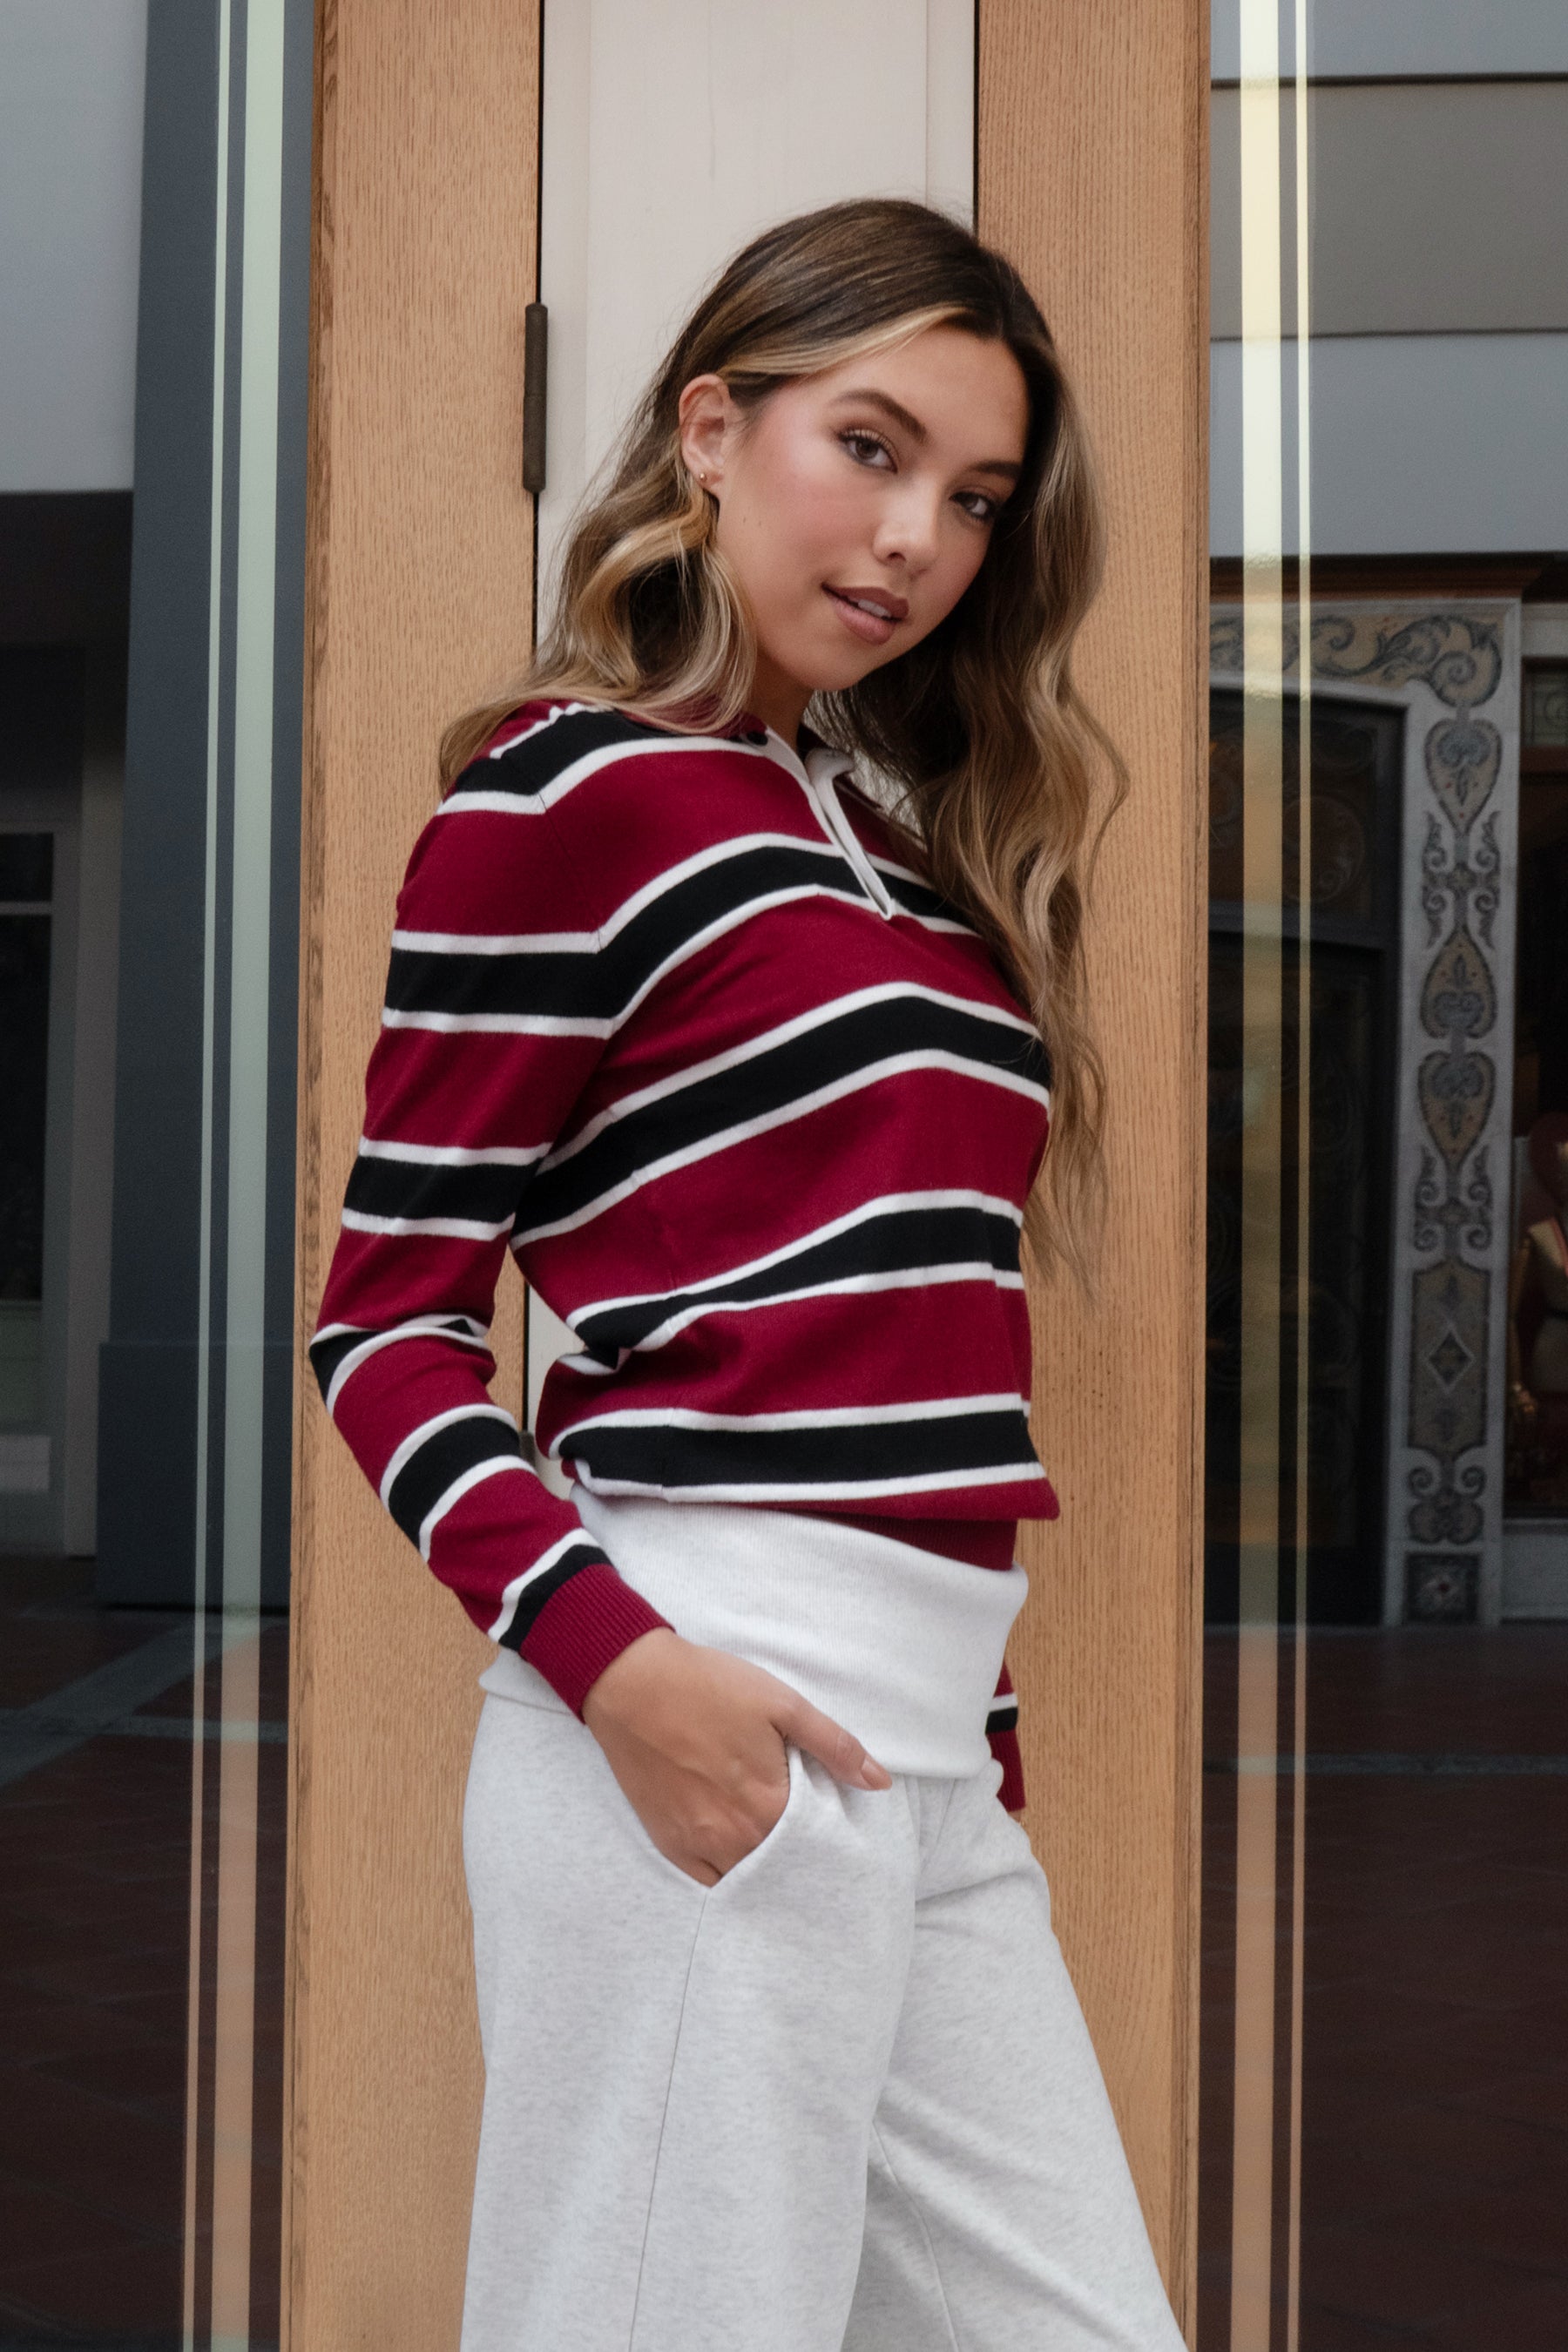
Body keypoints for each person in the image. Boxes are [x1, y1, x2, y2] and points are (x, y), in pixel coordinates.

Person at [311, 197, 1186, 2352]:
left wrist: (979, 1739)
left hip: (926, 1760)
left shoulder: (901, 854)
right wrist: (623, 1669)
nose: (914, 540)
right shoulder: (564, 794)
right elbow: (385, 1327)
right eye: (868, 448)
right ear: (713, 429)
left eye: (972, 498)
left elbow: (931, 1344)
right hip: (700, 1700)